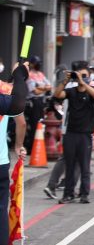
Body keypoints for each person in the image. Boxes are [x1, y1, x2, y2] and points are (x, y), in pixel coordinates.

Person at [54, 62, 94, 204]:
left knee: (84, 166)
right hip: (71, 133)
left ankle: (84, 194)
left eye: (85, 75)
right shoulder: (71, 91)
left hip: (85, 135)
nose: (82, 77)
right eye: (79, 75)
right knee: (70, 165)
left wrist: (82, 82)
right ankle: (68, 194)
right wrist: (66, 80)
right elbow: (57, 94)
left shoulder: (90, 90)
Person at [0, 63, 28, 245]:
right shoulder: (5, 90)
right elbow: (20, 116)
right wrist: (19, 77)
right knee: (1, 210)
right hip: (0, 161)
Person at [24, 55, 51, 151]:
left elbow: (49, 86)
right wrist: (43, 88)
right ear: (31, 64)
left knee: (41, 123)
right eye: (36, 62)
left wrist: (39, 87)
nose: (38, 64)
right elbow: (34, 91)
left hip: (41, 102)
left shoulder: (40, 74)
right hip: (33, 102)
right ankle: (31, 147)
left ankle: (38, 146)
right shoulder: (29, 75)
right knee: (34, 125)